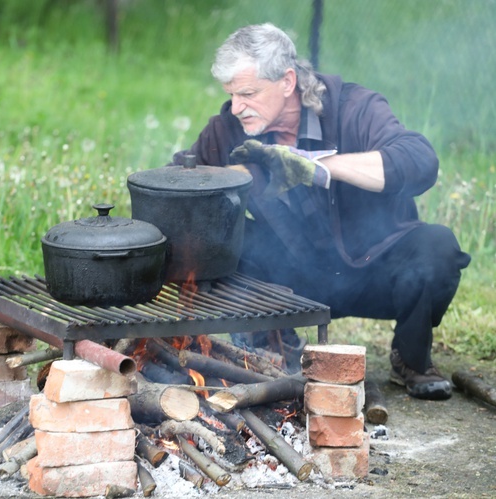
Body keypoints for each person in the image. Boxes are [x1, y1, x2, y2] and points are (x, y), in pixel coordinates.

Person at [171, 23, 471, 400]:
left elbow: (419, 160)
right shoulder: (229, 129)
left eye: (247, 93)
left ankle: (410, 357)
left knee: (437, 246)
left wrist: (318, 166)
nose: (236, 107)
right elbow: (179, 186)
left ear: (287, 81)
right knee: (230, 242)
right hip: (294, 279)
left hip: (374, 271)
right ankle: (271, 354)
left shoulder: (355, 109)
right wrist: (226, 179)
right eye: (231, 94)